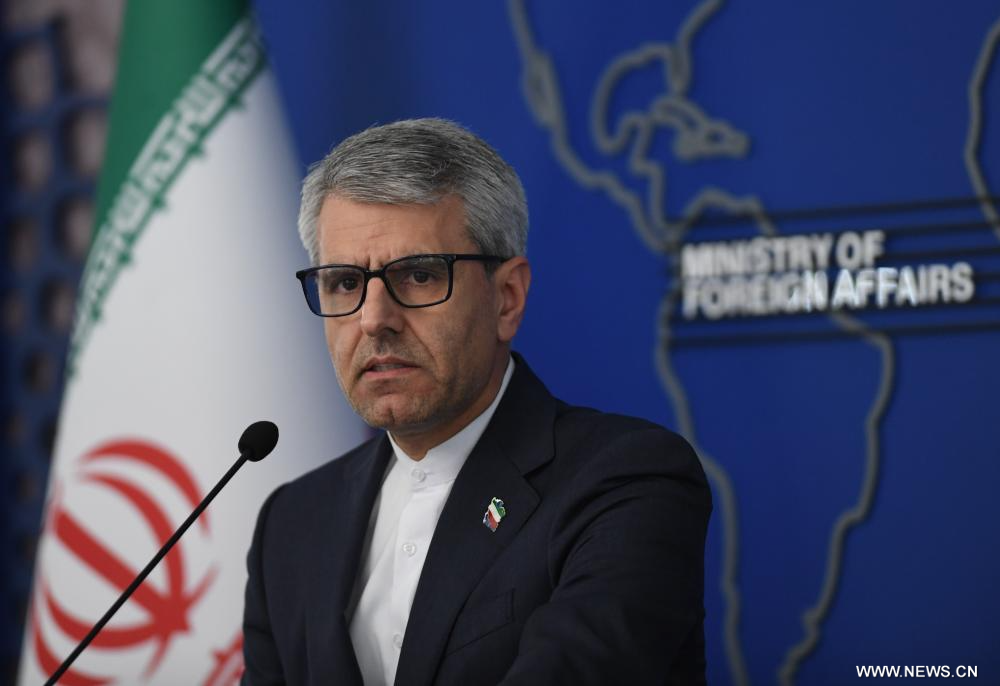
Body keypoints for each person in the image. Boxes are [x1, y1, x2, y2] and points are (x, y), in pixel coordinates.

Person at [241, 118, 712, 686]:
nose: (373, 319)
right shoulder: (292, 521)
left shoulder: (624, 481)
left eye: (418, 275)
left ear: (507, 298)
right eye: (344, 283)